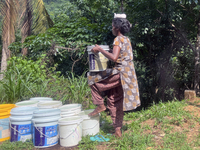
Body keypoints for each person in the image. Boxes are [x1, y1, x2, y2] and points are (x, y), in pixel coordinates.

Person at [87, 13, 141, 137]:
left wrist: (100, 49)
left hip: (120, 73)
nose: (111, 28)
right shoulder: (126, 39)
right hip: (129, 75)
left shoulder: (117, 39)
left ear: (117, 28)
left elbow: (114, 58)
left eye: (112, 26)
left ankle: (100, 105)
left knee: (91, 78)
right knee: (113, 99)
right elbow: (120, 54)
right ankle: (117, 130)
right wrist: (107, 50)